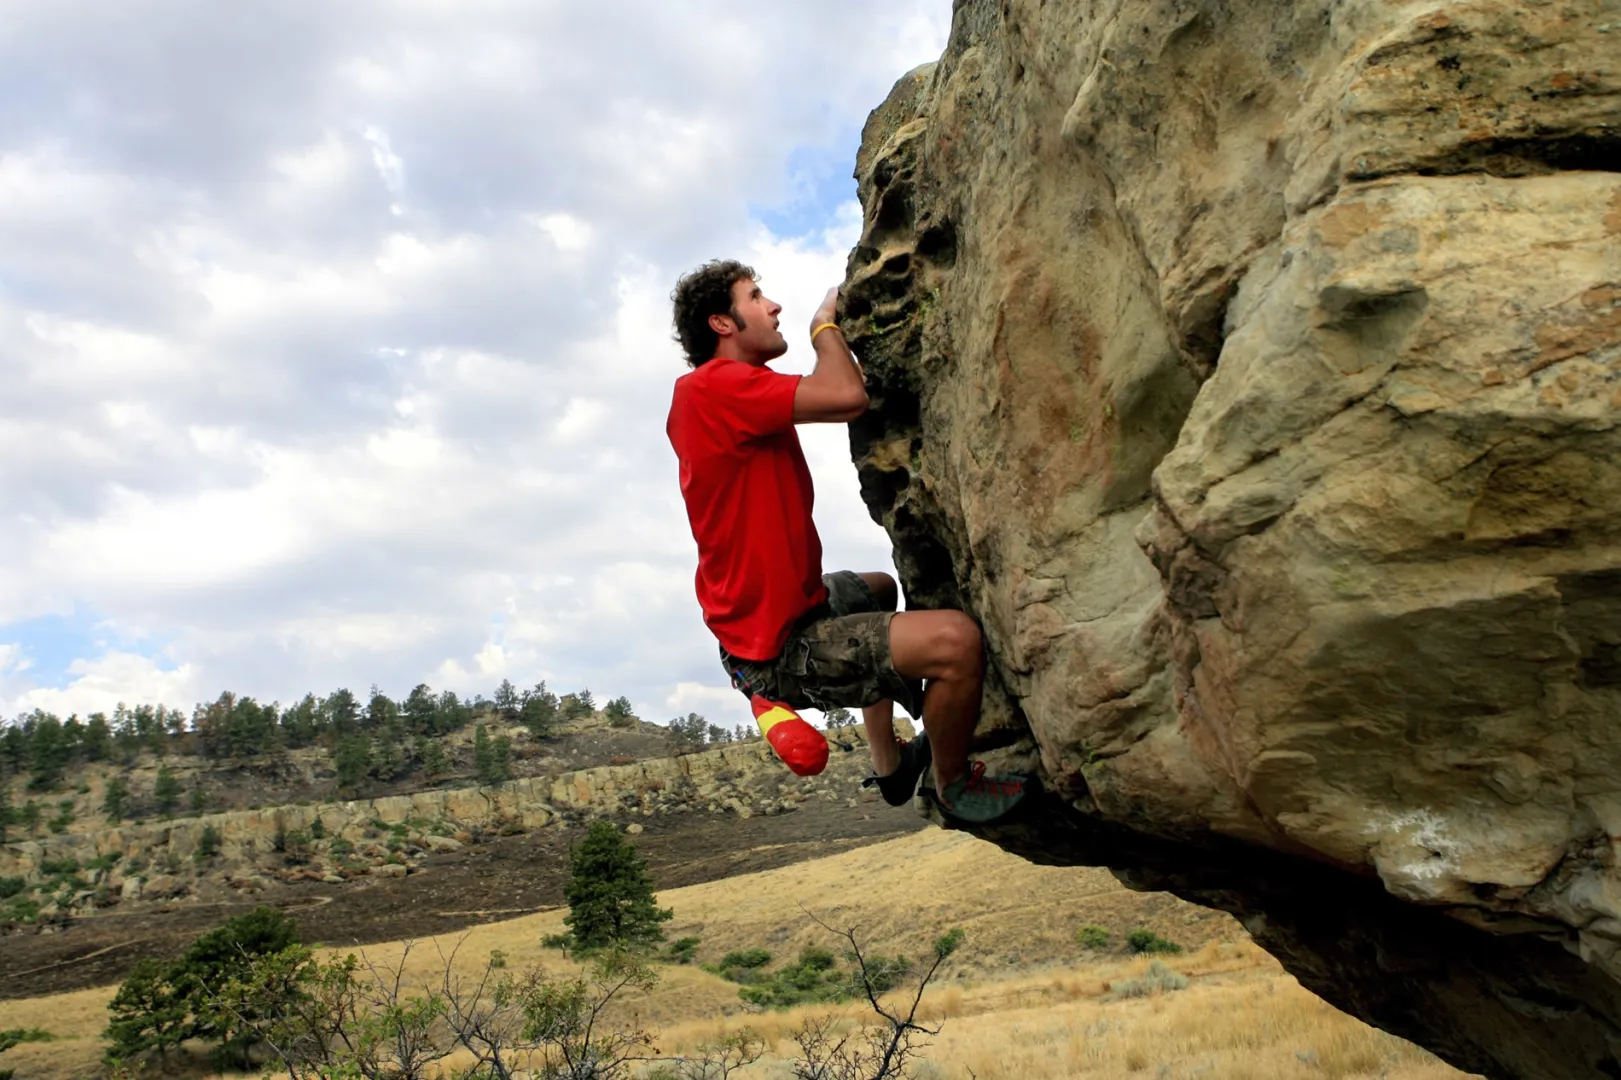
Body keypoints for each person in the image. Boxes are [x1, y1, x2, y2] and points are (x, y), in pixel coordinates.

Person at [664, 259, 1029, 823]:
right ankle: (952, 785)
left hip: (775, 617)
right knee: (956, 643)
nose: (773, 306)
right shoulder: (716, 386)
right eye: (756, 297)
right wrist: (823, 326)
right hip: (781, 647)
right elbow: (845, 395)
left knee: (877, 589)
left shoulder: (727, 392)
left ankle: (889, 764)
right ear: (722, 323)